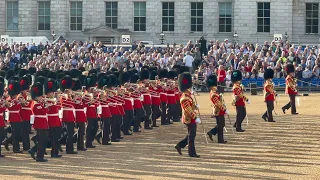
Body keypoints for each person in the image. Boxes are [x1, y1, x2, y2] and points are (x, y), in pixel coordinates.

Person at [174, 72, 200, 158]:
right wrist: (195, 117)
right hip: (189, 118)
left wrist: (195, 106)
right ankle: (191, 152)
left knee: (191, 135)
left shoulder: (188, 95)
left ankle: (179, 145)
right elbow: (188, 110)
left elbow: (191, 106)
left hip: (191, 117)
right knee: (192, 136)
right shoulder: (184, 97)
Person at [28, 82, 49, 162]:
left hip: (42, 123)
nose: (41, 97)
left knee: (42, 139)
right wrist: (46, 106)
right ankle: (39, 157)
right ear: (36, 97)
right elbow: (45, 111)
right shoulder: (36, 105)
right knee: (42, 141)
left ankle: (33, 150)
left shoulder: (38, 103)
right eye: (40, 96)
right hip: (40, 123)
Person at [206, 75, 227, 143]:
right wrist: (224, 109)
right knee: (221, 125)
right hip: (218, 110)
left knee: (221, 124)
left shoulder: (215, 92)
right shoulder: (213, 94)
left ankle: (212, 133)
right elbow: (217, 103)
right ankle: (220, 139)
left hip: (219, 110)